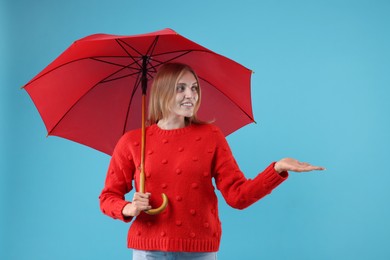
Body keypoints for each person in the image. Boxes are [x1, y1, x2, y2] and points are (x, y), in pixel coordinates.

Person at [99, 63, 325, 260]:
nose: (191, 95)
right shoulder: (132, 141)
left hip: (200, 252)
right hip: (148, 252)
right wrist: (129, 208)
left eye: (194, 88)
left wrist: (276, 169)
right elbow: (108, 197)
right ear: (161, 92)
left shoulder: (211, 136)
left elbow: (238, 196)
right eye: (181, 88)